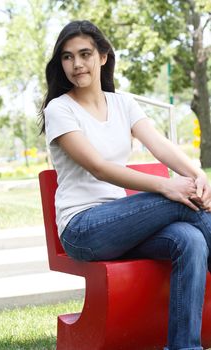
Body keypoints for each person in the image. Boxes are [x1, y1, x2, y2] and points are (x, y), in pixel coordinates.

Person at [40, 20, 211, 350]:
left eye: (85, 54)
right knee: (180, 199)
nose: (76, 64)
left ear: (103, 57)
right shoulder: (59, 109)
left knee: (190, 238)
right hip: (84, 229)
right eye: (67, 57)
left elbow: (159, 145)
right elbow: (99, 168)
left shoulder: (122, 104)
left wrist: (199, 176)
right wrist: (167, 186)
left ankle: (184, 347)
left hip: (126, 226)